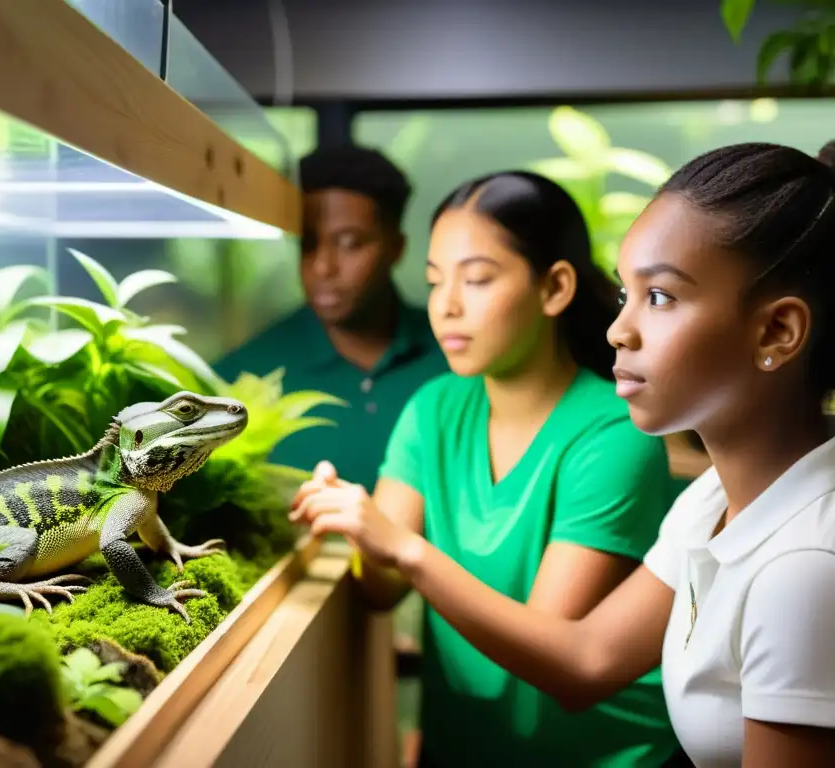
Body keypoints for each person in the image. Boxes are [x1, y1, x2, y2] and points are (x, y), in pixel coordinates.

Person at [292, 142, 835, 767]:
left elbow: (555, 658)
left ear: (777, 332)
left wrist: (407, 549)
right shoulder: (710, 502)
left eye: (659, 296)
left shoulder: (805, 569)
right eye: (626, 294)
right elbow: (587, 661)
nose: (618, 329)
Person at [297, 169, 683, 766]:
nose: (446, 305)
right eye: (433, 281)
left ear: (555, 288)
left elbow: (547, 651)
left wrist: (404, 547)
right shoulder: (432, 410)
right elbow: (381, 588)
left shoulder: (613, 434)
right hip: (461, 750)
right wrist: (351, 522)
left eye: (476, 279)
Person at [212, 145, 448, 490]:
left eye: (350, 244)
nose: (323, 266)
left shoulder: (457, 359)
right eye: (308, 244)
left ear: (396, 248)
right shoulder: (240, 379)